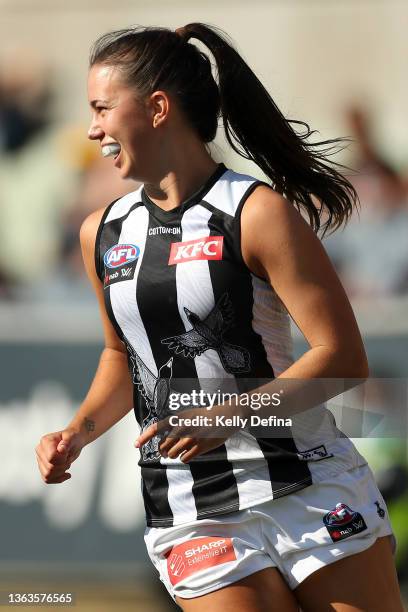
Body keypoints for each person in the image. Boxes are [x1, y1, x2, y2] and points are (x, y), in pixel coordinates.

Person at [35, 23, 403, 611]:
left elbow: (343, 360)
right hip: (192, 510)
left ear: (157, 108)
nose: (92, 129)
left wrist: (228, 415)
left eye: (103, 108)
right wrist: (77, 432)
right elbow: (122, 356)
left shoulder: (256, 214)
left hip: (308, 485)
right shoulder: (100, 234)